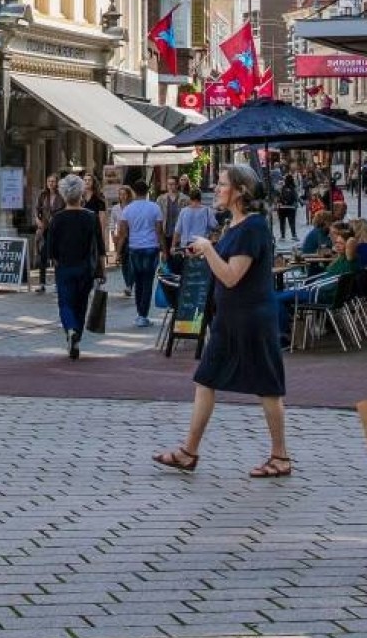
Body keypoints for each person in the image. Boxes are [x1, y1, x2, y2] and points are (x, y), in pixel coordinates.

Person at [154, 163, 291, 479]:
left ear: (240, 191)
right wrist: (206, 250)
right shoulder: (234, 226)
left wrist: (207, 248)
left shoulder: (253, 227)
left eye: (222, 184)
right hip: (229, 320)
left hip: (252, 319)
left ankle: (280, 456)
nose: (216, 189)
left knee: (268, 387)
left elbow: (231, 276)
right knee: (205, 379)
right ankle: (189, 452)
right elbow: (226, 266)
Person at [43, 175, 104, 359]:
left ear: (63, 193)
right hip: (85, 267)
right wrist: (102, 269)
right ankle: (76, 336)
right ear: (81, 193)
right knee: (81, 303)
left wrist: (53, 262)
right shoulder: (91, 217)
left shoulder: (57, 218)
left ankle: (70, 329)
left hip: (65, 267)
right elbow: (99, 246)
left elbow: (50, 248)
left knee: (65, 302)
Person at [116, 179, 164, 328]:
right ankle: (144, 315)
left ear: (134, 192)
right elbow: (159, 231)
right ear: (147, 190)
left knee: (137, 281)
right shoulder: (155, 207)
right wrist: (165, 249)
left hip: (134, 247)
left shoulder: (127, 210)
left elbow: (123, 233)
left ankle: (139, 313)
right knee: (148, 281)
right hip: (151, 247)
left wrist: (118, 252)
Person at [32, 174, 63, 295]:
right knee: (43, 256)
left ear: (57, 183)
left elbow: (64, 210)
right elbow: (37, 210)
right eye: (49, 181)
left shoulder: (61, 196)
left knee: (56, 256)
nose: (51, 183)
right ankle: (42, 283)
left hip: (57, 229)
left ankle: (57, 283)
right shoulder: (43, 195)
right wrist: (37, 220)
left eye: (53, 181)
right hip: (44, 228)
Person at [275, 175, 300, 241]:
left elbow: (279, 196)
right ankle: (294, 235)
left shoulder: (282, 187)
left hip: (282, 208)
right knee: (292, 222)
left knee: (282, 222)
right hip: (291, 208)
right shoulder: (293, 188)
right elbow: (295, 197)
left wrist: (282, 202)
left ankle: (283, 236)